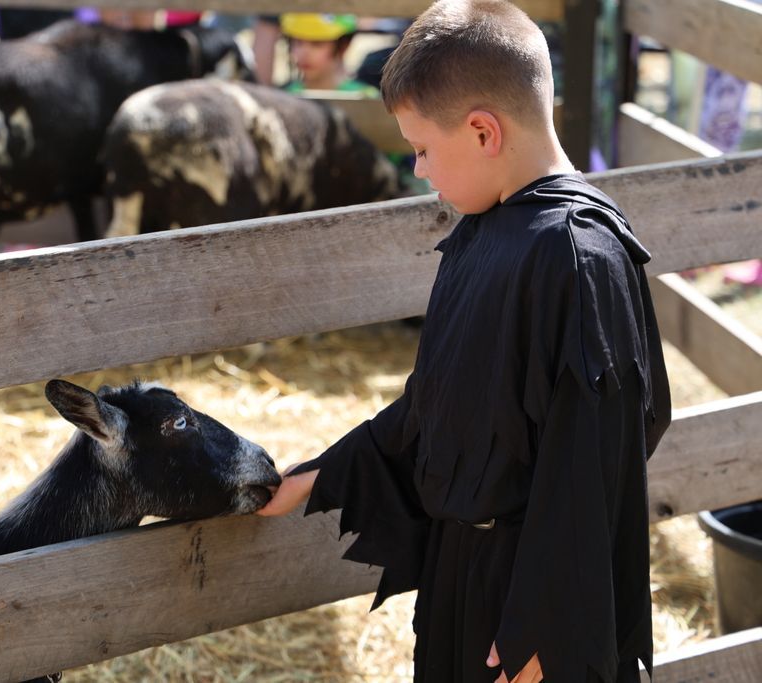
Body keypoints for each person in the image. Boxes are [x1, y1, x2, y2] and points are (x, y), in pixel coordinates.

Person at [257, 2, 671, 682]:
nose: (419, 169)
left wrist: (541, 632)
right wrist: (320, 473)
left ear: (482, 131)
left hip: (524, 605)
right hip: (460, 574)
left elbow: (592, 464)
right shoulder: (483, 227)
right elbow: (443, 401)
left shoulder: (581, 258)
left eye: (422, 148)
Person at [279, 13, 375, 95]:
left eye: (317, 44)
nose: (304, 53)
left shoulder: (363, 95)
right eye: (298, 42)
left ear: (343, 46)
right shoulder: (285, 95)